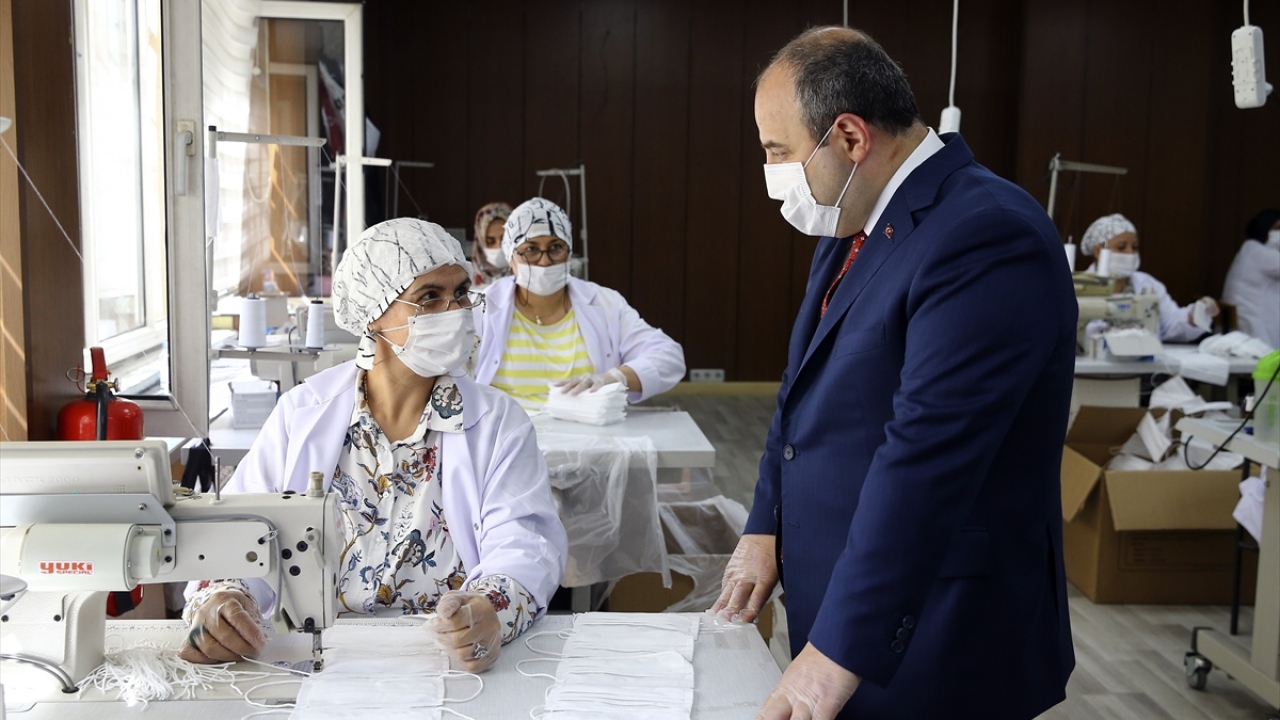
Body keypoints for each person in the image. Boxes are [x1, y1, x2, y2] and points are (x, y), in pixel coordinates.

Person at [712, 27, 1076, 719]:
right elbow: (801, 391)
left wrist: (837, 650)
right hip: (845, 599)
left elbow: (928, 457)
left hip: (936, 626)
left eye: (777, 151)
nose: (771, 172)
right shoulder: (856, 220)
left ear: (850, 137)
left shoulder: (986, 233)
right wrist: (767, 525)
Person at [180, 218, 567, 672]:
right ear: (372, 312)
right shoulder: (302, 413)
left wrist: (489, 611)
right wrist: (222, 602)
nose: (455, 311)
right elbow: (238, 532)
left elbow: (525, 543)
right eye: (430, 297)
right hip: (321, 660)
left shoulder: (498, 422)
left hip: (445, 662)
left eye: (461, 293)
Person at [473, 197, 685, 411]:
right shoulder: (480, 308)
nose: (545, 261)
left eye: (556, 247)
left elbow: (669, 358)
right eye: (531, 249)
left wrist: (616, 378)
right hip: (507, 429)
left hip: (587, 428)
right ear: (510, 257)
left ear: (569, 252)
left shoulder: (605, 304)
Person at [1081, 213, 1218, 343]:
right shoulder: (1079, 287)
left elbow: (1172, 324)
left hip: (1144, 358)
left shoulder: (1148, 284)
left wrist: (1196, 314)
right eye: (1121, 247)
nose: (1130, 252)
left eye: (1135, 247)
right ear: (1098, 251)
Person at [1222, 209, 1280, 348]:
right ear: (1266, 227)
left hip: (1246, 325)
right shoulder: (1260, 253)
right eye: (1277, 228)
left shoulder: (1251, 248)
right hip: (1253, 332)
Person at [471, 201, 513, 288]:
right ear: (480, 242)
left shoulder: (530, 280)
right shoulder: (466, 282)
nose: (499, 246)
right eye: (490, 241)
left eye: (505, 239)